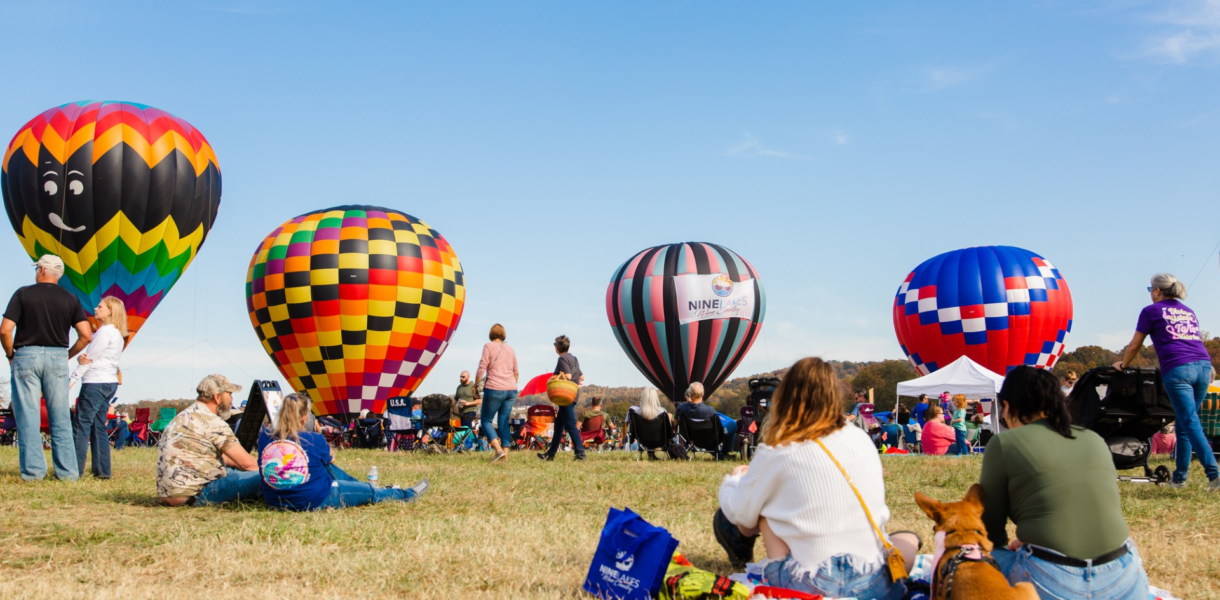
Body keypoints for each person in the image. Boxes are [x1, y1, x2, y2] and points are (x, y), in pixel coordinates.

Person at [712, 358, 917, 599]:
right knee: (909, 538)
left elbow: (740, 513)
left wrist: (734, 480)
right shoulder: (860, 440)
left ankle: (765, 565)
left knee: (765, 510)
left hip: (809, 582)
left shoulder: (779, 448)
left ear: (784, 396)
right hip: (872, 581)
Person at [983, 366, 1150, 599]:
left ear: (1008, 406)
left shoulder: (1004, 443)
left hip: (1051, 580)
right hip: (1124, 578)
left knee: (971, 556)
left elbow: (990, 532)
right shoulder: (1093, 439)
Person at [1114, 273, 1218, 491]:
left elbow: (1135, 345)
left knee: (1189, 422)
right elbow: (1193, 340)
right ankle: (1179, 479)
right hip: (1204, 366)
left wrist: (1122, 365)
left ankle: (1214, 475)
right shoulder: (1188, 311)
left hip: (1178, 369)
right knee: (1183, 422)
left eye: (1150, 290)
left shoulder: (1150, 311)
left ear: (1157, 291)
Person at [1, 254, 93, 481]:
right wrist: (67, 355)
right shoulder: (71, 299)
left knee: (28, 416)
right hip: (57, 357)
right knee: (60, 416)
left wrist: (11, 355)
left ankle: (33, 473)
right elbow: (86, 335)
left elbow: (5, 330)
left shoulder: (22, 294)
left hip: (26, 355)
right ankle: (68, 473)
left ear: (41, 270)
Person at [258, 393, 426, 510]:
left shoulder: (265, 438)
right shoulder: (314, 439)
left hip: (276, 501)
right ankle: (407, 494)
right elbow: (331, 459)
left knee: (322, 467)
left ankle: (363, 485)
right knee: (368, 493)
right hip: (314, 500)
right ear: (304, 417)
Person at [155, 374, 262, 506]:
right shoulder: (212, 422)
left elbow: (224, 458)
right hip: (197, 493)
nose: (232, 399)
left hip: (169, 493)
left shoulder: (181, 417)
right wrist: (278, 472)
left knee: (236, 472)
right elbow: (248, 464)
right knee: (267, 479)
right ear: (217, 397)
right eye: (229, 394)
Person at [69, 296, 127, 479]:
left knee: (80, 425)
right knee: (97, 426)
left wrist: (71, 381)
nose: (95, 308)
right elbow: (92, 357)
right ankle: (102, 471)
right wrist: (83, 358)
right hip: (109, 382)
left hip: (95, 381)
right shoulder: (117, 333)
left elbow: (88, 359)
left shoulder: (104, 332)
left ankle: (74, 471)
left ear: (110, 311)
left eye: (100, 307)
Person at [540, 335, 587, 462]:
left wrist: (553, 378)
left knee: (571, 425)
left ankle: (580, 453)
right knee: (559, 426)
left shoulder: (562, 359)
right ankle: (550, 454)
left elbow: (567, 375)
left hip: (565, 395)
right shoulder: (574, 359)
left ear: (557, 348)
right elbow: (581, 377)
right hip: (573, 393)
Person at [476, 323, 518, 462]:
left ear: (491, 334)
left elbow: (482, 367)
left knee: (486, 420)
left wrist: (475, 384)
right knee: (504, 422)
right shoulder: (510, 349)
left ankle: (498, 450)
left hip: (494, 388)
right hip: (511, 389)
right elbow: (516, 372)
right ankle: (504, 457)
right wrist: (510, 384)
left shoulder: (488, 346)